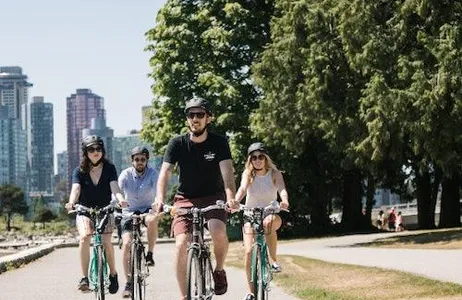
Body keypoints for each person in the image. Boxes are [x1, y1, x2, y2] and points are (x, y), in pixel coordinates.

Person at [153, 96, 238, 300]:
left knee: (218, 232)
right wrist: (159, 198)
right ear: (187, 119)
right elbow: (165, 173)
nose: (195, 118)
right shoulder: (177, 143)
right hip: (185, 199)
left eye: (200, 114)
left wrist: (231, 198)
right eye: (191, 115)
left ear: (209, 118)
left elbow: (227, 173)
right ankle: (184, 296)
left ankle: (218, 270)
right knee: (182, 244)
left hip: (214, 196)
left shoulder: (219, 142)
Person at [65, 135, 128, 294]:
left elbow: (114, 187)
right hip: (84, 210)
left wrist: (121, 200)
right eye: (91, 149)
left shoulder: (109, 168)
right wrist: (71, 202)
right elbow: (76, 189)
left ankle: (113, 274)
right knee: (85, 237)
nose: (95, 152)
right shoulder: (79, 171)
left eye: (98, 149)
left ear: (103, 151)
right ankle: (84, 278)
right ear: (85, 152)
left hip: (105, 209)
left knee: (106, 242)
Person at [234, 142, 289, 300]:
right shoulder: (248, 174)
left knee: (268, 224)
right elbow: (242, 189)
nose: (257, 160)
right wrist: (236, 201)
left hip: (270, 212)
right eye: (254, 158)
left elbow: (282, 189)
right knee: (249, 251)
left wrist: (284, 200)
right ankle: (251, 292)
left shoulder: (275, 173)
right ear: (250, 160)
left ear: (266, 158)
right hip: (250, 214)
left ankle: (273, 261)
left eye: (261, 157)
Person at [118, 146, 160, 298]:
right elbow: (118, 191)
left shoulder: (153, 173)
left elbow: (157, 191)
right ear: (132, 161)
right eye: (136, 159)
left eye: (143, 159)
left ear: (147, 160)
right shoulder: (125, 174)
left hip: (147, 209)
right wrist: (119, 200)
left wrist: (157, 203)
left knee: (153, 220)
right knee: (127, 244)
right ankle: (128, 282)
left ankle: (149, 254)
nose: (140, 162)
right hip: (128, 211)